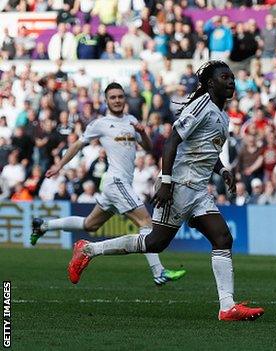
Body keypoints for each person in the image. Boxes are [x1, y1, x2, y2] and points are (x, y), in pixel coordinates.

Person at [65, 61, 264, 321]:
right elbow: (172, 141)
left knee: (222, 238)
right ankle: (88, 250)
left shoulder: (221, 115)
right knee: (155, 242)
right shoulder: (201, 105)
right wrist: (167, 181)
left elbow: (203, 149)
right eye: (225, 77)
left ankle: (227, 307)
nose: (231, 81)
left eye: (232, 77)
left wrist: (222, 169)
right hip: (179, 185)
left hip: (198, 191)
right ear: (211, 83)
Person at [31, 83, 186, 286]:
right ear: (106, 101)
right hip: (116, 181)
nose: (117, 100)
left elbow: (147, 148)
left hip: (118, 184)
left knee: (90, 224)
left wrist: (144, 132)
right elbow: (78, 144)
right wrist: (59, 165)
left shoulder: (131, 120)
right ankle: (159, 272)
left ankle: (43, 225)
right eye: (112, 97)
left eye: (120, 96)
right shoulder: (100, 124)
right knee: (146, 223)